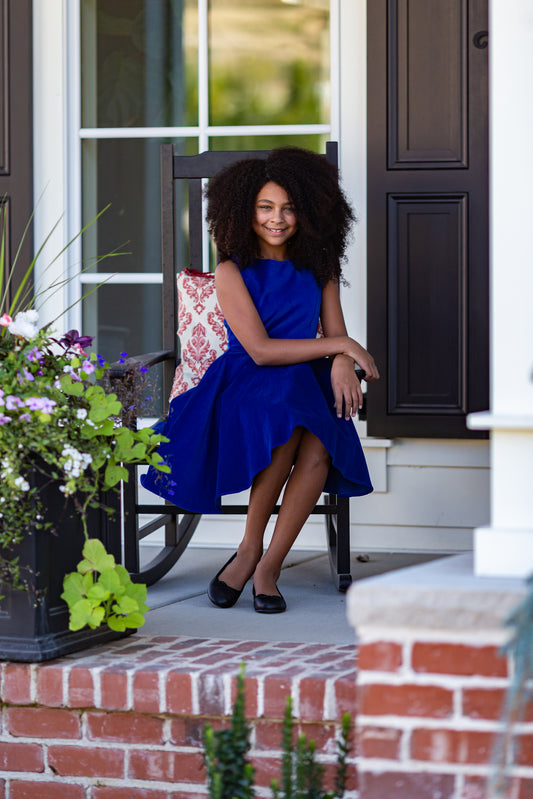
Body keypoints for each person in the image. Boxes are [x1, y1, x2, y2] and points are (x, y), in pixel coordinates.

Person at [141, 146, 379, 614]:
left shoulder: (320, 266)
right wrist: (342, 347)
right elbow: (262, 350)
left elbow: (335, 332)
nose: (278, 219)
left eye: (289, 208)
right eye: (265, 207)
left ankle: (269, 564)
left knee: (320, 441)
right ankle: (249, 548)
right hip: (246, 380)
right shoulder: (231, 270)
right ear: (243, 212)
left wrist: (339, 358)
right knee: (289, 418)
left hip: (305, 377)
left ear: (307, 211)